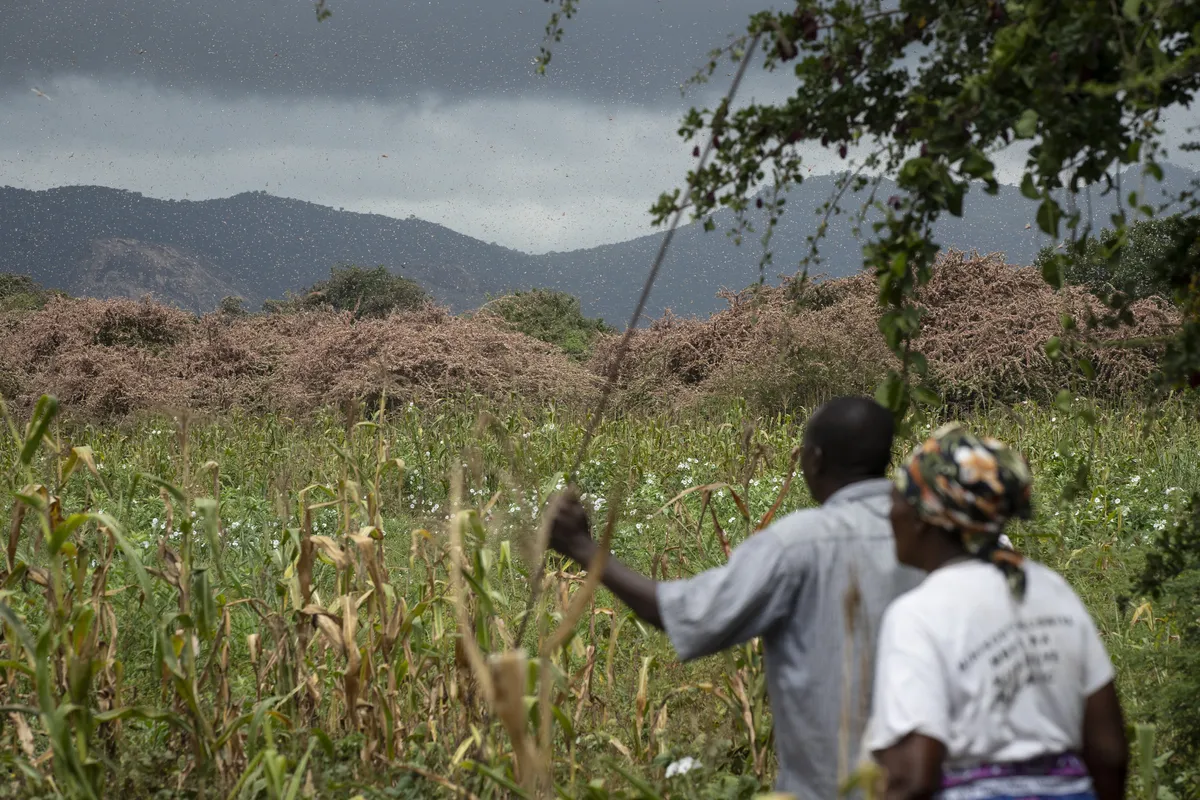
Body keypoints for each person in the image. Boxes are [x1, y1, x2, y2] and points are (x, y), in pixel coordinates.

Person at [548, 396, 925, 799]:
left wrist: (586, 551)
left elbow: (689, 615)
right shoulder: (936, 533)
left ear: (814, 459)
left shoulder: (798, 543)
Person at [865, 423, 1129, 800]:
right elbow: (1108, 753)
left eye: (897, 500)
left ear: (925, 518)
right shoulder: (1052, 589)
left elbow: (913, 779)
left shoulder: (918, 614)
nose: (889, 514)